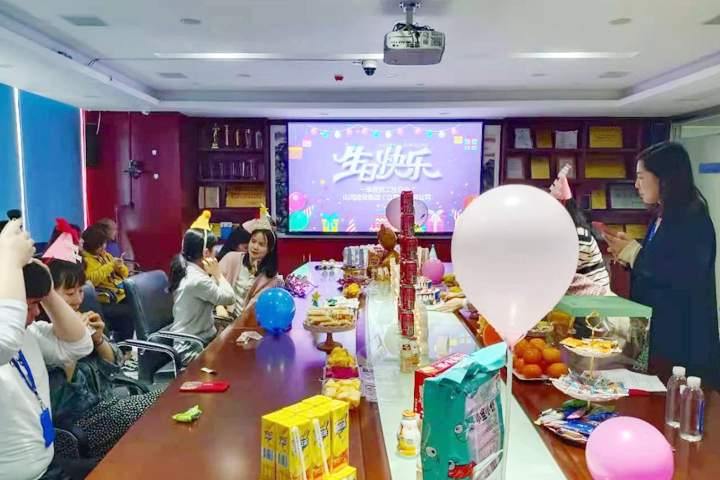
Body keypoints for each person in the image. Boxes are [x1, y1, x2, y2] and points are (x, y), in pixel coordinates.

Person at [604, 142, 720, 389]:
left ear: (664, 179)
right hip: (656, 331)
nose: (636, 185)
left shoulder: (692, 217)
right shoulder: (662, 214)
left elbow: (681, 275)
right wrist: (629, 255)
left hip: (682, 337)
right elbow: (656, 261)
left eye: (641, 177)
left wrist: (636, 254)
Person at [0, 219, 95, 480]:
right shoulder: (6, 340)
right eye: (28, 304)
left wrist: (47, 290)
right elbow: (4, 345)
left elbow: (80, 345)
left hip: (47, 468)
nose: (35, 313)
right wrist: (8, 260)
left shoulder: (27, 334)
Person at [44, 259, 163, 459]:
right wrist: (72, 347)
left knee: (171, 398)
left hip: (108, 406)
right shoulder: (42, 337)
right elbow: (60, 406)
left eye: (80, 291)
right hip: (82, 426)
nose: (78, 300)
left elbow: (115, 366)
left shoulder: (80, 319)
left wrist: (98, 340)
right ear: (48, 297)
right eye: (70, 293)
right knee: (162, 409)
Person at [169, 212, 235, 365]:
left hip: (202, 341)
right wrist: (218, 274)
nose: (216, 254)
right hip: (191, 349)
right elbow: (229, 298)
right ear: (206, 253)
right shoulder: (197, 280)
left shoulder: (188, 269)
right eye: (214, 250)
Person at [219, 207, 281, 326]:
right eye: (253, 241)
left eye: (261, 244)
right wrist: (219, 306)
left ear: (269, 249)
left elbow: (254, 307)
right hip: (222, 319)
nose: (255, 247)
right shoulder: (231, 258)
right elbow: (214, 285)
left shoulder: (271, 277)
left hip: (248, 325)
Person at [81, 226, 133, 361]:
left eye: (104, 245)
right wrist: (110, 266)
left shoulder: (106, 255)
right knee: (127, 312)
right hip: (104, 300)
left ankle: (130, 346)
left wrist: (120, 267)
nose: (103, 249)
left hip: (120, 294)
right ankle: (124, 350)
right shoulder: (86, 260)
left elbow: (125, 274)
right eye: (100, 247)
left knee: (137, 305)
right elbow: (91, 279)